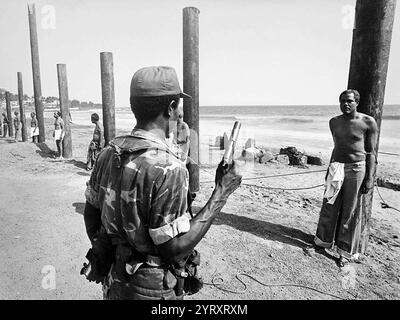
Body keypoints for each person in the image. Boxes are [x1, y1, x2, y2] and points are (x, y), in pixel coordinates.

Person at [83, 66, 242, 300]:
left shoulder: (109, 152)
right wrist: (221, 193)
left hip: (114, 281)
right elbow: (174, 249)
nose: (180, 111)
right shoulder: (170, 168)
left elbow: (90, 214)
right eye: (178, 104)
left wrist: (111, 252)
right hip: (151, 290)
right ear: (170, 108)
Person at [309, 89, 378, 267]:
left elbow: (370, 153)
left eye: (349, 101)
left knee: (350, 211)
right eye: (342, 101)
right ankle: (322, 242)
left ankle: (344, 252)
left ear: (357, 102)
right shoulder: (334, 122)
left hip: (356, 169)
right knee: (328, 206)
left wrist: (370, 178)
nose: (345, 104)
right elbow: (336, 147)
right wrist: (329, 170)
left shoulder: (368, 122)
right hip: (336, 167)